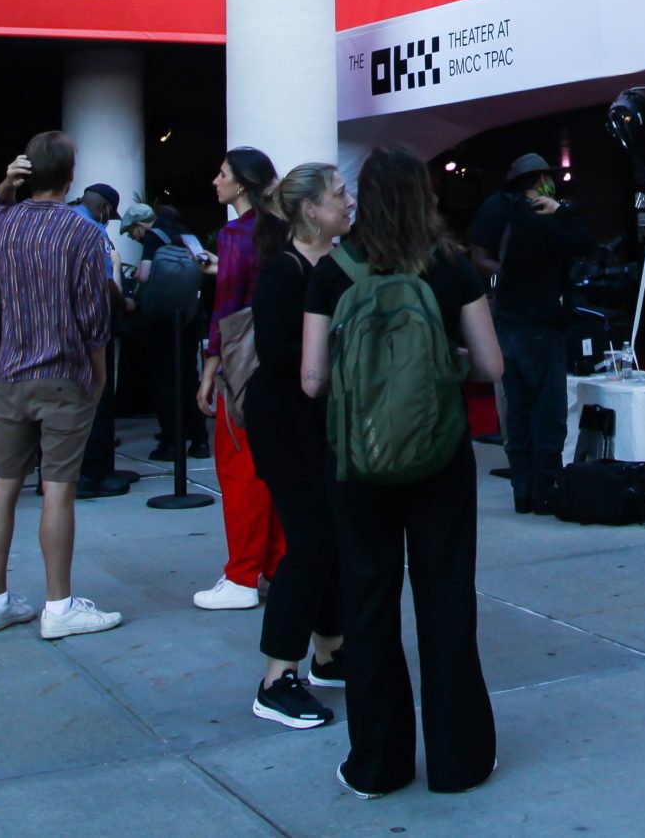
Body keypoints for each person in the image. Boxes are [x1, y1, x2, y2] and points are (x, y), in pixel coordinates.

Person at [304, 146, 505, 798]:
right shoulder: (449, 266)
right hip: (440, 454)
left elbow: (312, 378)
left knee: (368, 604)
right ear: (424, 195)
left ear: (363, 196)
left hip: (358, 460)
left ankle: (378, 763)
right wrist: (440, 363)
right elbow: (492, 366)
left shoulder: (332, 270)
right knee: (446, 599)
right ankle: (459, 760)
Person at [0, 131, 123, 641]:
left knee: (3, 483)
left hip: (11, 373)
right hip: (63, 374)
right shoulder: (82, 233)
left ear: (27, 173)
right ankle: (58, 605)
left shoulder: (5, 222)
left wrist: (5, 182)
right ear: (71, 176)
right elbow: (93, 316)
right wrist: (99, 374)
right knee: (58, 488)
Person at [245, 162, 352, 728]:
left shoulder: (333, 264)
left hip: (320, 422)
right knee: (311, 541)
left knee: (331, 536)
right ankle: (275, 677)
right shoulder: (285, 270)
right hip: (286, 422)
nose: (349, 201)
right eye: (339, 194)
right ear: (311, 210)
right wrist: (338, 356)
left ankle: (330, 653)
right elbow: (277, 350)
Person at [466, 152, 594, 514]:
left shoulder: (495, 208)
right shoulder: (544, 218)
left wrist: (504, 275)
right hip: (542, 321)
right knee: (547, 410)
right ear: (540, 181)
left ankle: (522, 490)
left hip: (506, 316)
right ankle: (544, 490)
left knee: (516, 406)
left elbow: (478, 257)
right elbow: (586, 242)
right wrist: (562, 210)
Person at [196, 148, 282, 611]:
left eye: (223, 173)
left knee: (239, 467)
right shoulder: (281, 230)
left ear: (242, 185)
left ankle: (242, 574)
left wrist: (210, 368)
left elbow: (225, 309)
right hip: (279, 359)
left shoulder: (234, 234)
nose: (216, 181)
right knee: (271, 469)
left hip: (242, 363)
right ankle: (274, 565)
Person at [123, 202, 207, 458]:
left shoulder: (152, 236)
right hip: (191, 314)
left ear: (139, 225)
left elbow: (146, 274)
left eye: (130, 232)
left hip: (163, 318)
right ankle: (199, 439)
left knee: (165, 378)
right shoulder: (183, 233)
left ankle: (171, 441)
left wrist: (136, 279)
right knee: (189, 376)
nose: (133, 237)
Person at [69, 181, 133, 498]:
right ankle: (93, 475)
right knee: (98, 395)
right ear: (105, 207)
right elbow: (104, 280)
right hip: (92, 326)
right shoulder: (92, 230)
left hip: (62, 328)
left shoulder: (60, 222)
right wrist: (124, 303)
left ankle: (64, 473)